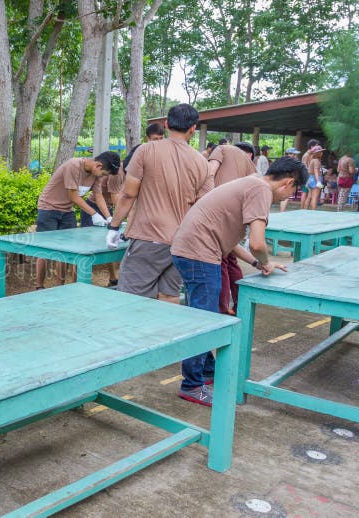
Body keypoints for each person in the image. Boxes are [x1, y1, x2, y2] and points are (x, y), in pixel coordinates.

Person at [170, 156, 307, 406]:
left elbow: (230, 241)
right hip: (199, 254)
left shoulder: (252, 182)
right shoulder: (261, 190)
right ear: (289, 183)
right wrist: (265, 261)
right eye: (294, 191)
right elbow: (257, 243)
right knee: (206, 320)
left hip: (192, 250)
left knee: (202, 315)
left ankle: (207, 370)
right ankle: (191, 385)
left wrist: (257, 264)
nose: (289, 196)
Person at [106, 104, 211, 303]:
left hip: (149, 237)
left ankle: (135, 335)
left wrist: (113, 226)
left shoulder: (146, 150)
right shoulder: (201, 162)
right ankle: (166, 335)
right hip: (182, 242)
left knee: (130, 299)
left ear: (166, 124)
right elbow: (204, 206)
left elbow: (129, 195)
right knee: (169, 294)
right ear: (192, 129)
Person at [80, 123, 164, 287]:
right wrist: (111, 219)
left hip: (112, 208)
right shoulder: (118, 174)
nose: (158, 142)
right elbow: (116, 197)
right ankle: (84, 280)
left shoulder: (140, 171)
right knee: (90, 247)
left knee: (112, 245)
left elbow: (131, 202)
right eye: (155, 139)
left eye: (161, 139)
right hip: (98, 206)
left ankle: (113, 278)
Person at [35, 151, 121, 289]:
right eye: (104, 174)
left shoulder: (96, 175)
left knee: (67, 249)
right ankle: (39, 286)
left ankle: (60, 286)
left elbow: (98, 196)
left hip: (67, 211)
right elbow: (73, 195)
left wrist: (109, 218)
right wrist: (94, 214)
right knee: (44, 249)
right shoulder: (74, 165)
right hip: (48, 208)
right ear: (98, 165)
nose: (104, 177)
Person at [208, 141, 257, 315]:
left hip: (217, 214)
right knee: (231, 262)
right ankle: (238, 305)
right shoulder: (252, 170)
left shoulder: (222, 150)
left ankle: (221, 309)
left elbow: (210, 172)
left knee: (221, 262)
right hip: (237, 219)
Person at [302, 145, 324, 210]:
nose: (322, 153)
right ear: (317, 153)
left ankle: (305, 211)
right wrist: (318, 181)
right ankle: (313, 212)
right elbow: (316, 171)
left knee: (309, 197)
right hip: (315, 179)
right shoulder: (317, 161)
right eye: (321, 152)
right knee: (315, 198)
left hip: (310, 179)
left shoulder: (312, 160)